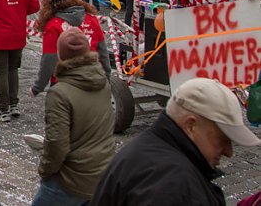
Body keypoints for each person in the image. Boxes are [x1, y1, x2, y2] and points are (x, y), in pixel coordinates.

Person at [91, 77, 261, 205]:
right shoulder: (174, 187)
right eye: (222, 138)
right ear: (191, 126)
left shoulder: (147, 150)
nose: (229, 151)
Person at [32, 28, 115, 205]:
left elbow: (57, 144)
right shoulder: (104, 83)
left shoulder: (60, 93)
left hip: (70, 179)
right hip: (102, 172)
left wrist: (45, 171)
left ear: (60, 55)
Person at [30, 0, 110, 98]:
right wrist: (106, 78)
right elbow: (103, 52)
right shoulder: (91, 19)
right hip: (91, 78)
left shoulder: (53, 26)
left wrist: (38, 87)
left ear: (50, 3)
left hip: (63, 84)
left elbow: (49, 60)